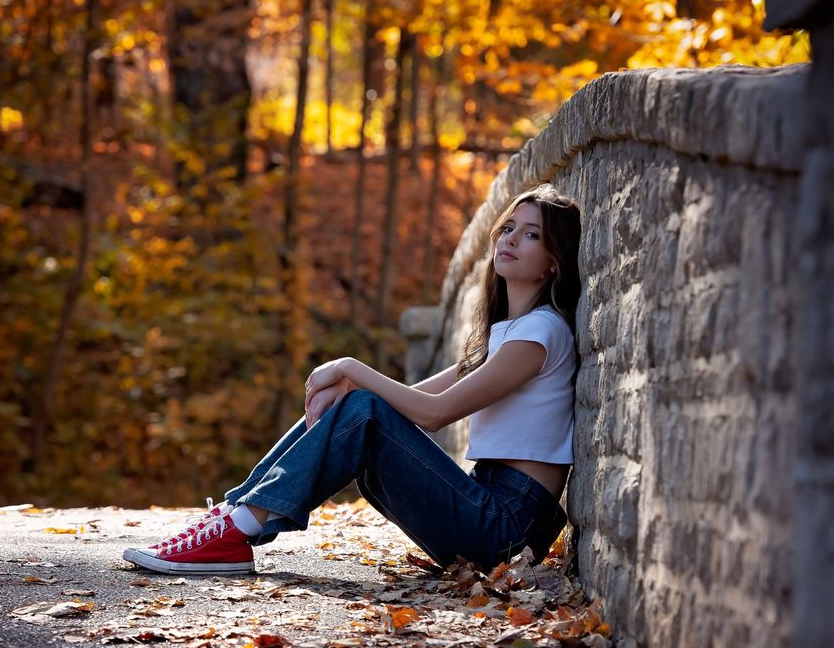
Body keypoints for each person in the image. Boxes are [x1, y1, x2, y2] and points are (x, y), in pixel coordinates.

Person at [123, 183, 582, 575]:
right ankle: (233, 517)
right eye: (508, 228)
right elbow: (417, 400)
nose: (511, 239)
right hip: (485, 508)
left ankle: (238, 525)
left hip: (506, 529)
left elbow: (435, 414)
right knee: (358, 406)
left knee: (365, 408)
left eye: (531, 235)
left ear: (552, 262)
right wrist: (350, 390)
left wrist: (350, 369)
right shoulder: (505, 334)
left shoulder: (539, 334)